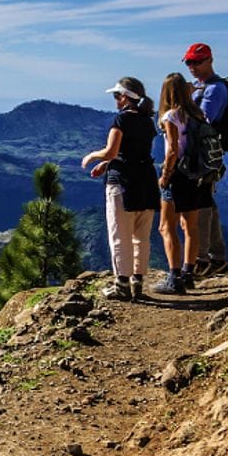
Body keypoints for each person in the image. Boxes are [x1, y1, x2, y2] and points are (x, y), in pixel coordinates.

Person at [81, 77, 160, 300]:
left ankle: (121, 285)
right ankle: (137, 282)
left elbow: (111, 151)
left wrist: (93, 157)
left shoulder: (121, 120)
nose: (115, 100)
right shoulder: (147, 121)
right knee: (141, 236)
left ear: (125, 97)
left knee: (120, 234)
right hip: (146, 180)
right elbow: (135, 152)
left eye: (117, 96)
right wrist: (107, 164)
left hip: (123, 182)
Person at [154, 71, 203, 295]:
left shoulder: (171, 116)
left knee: (166, 227)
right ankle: (189, 274)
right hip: (195, 174)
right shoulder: (198, 114)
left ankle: (174, 278)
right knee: (190, 226)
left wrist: (165, 175)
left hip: (177, 175)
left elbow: (173, 149)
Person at [183, 42, 228, 277]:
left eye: (196, 62)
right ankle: (217, 258)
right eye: (189, 62)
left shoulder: (214, 90)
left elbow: (203, 120)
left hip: (203, 158)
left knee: (199, 206)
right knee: (207, 204)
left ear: (210, 60)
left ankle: (201, 260)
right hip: (202, 156)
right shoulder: (202, 88)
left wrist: (184, 102)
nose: (192, 67)